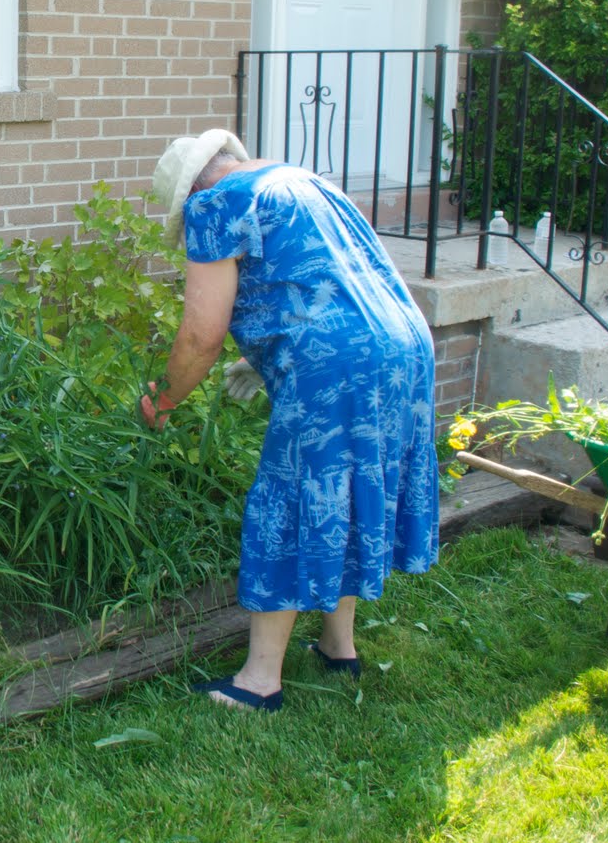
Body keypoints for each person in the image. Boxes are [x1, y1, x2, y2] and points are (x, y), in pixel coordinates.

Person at [139, 128, 440, 713]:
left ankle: (258, 682)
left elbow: (202, 335)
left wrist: (164, 400)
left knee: (295, 495)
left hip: (334, 364)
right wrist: (265, 358)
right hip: (404, 345)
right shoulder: (305, 183)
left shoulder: (214, 204)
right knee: (346, 490)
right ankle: (338, 645)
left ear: (194, 188)